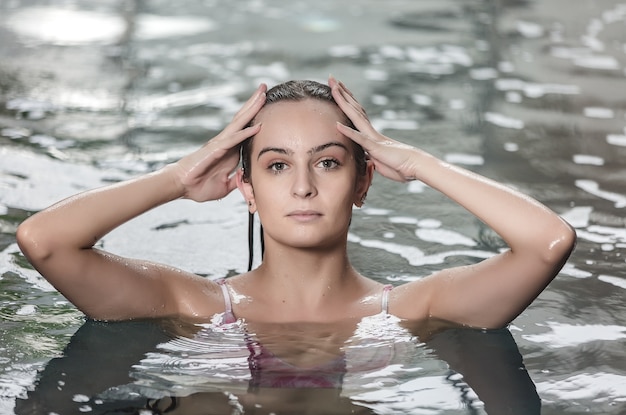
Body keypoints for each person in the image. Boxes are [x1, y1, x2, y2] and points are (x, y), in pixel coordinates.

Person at [15, 77, 576, 330]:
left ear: (363, 184)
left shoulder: (414, 310)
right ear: (248, 190)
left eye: (329, 162)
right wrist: (179, 178)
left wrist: (418, 162)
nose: (303, 187)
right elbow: (44, 241)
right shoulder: (191, 303)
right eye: (277, 165)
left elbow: (548, 243)